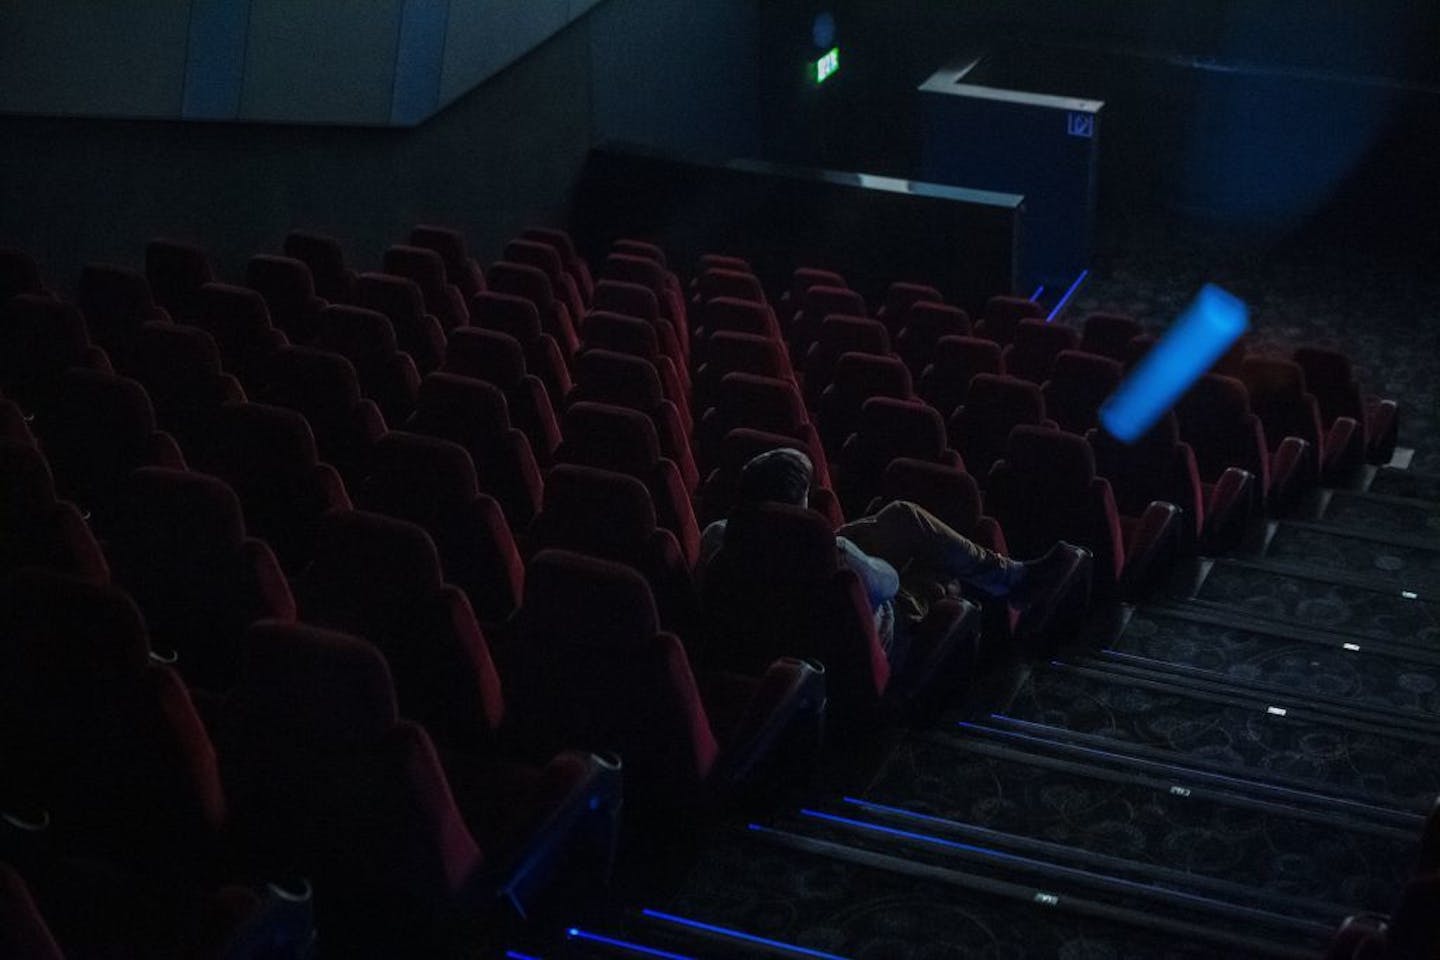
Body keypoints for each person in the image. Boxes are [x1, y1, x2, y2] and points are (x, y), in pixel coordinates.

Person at [699, 447, 1088, 668]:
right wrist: (856, 548)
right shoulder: (836, 555)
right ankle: (1012, 583)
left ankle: (1009, 577)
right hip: (873, 636)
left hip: (786, 625)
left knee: (903, 517)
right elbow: (887, 582)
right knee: (929, 566)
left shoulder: (718, 537)